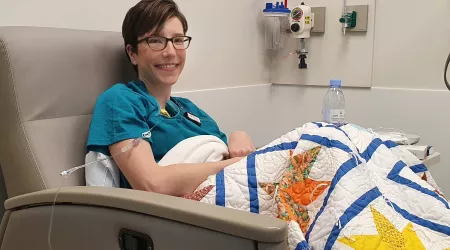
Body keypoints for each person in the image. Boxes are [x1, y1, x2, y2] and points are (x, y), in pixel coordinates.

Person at [86, 0, 256, 197]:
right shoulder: (120, 100)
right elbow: (152, 184)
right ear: (132, 53)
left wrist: (238, 137)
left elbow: (222, 152)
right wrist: (236, 165)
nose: (170, 52)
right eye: (156, 40)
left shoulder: (188, 109)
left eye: (177, 40)